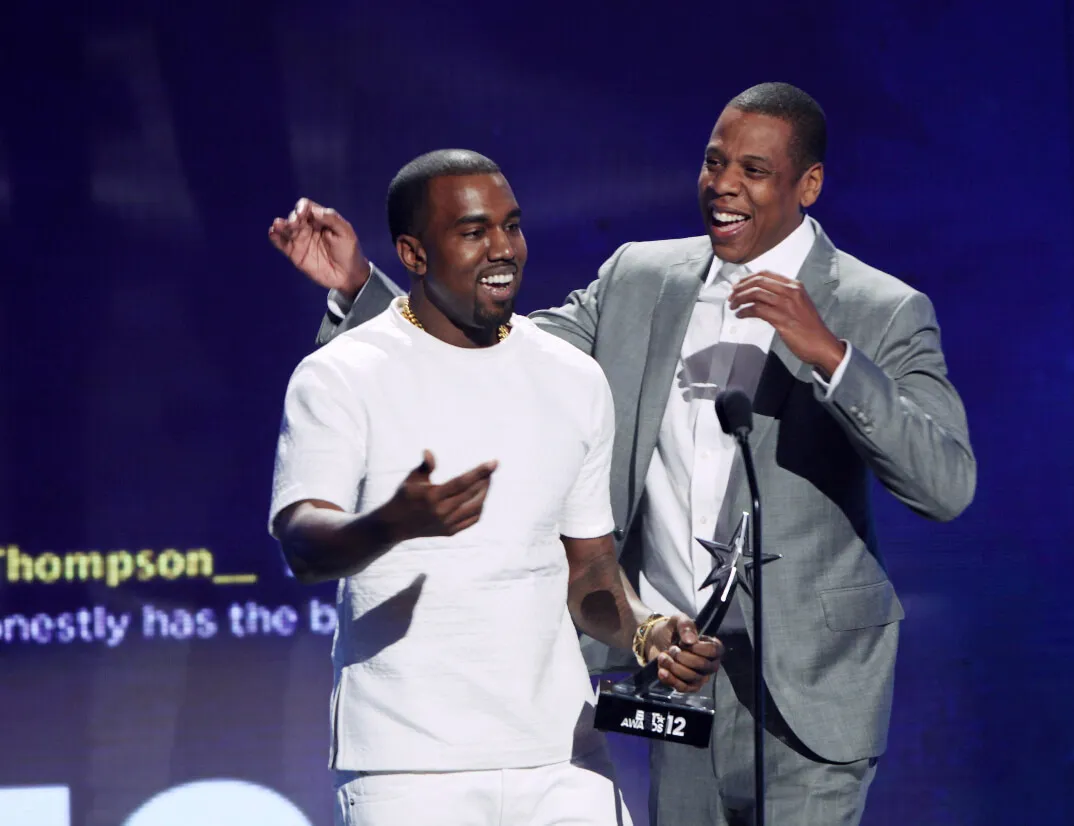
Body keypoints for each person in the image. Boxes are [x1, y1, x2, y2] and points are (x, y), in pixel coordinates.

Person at [272, 83, 977, 826]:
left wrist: (832, 356)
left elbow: (946, 484)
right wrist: (361, 289)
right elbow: (496, 357)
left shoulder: (880, 306)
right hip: (674, 673)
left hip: (809, 688)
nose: (724, 186)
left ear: (809, 184)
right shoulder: (640, 279)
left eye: (754, 171)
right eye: (713, 163)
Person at [267, 149, 723, 826]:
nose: (504, 249)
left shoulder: (571, 378)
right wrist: (389, 523)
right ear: (413, 254)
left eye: (512, 226)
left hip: (562, 758)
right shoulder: (342, 374)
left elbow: (590, 572)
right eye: (475, 232)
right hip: (409, 767)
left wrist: (648, 632)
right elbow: (302, 541)